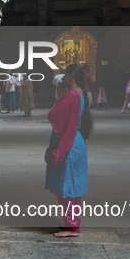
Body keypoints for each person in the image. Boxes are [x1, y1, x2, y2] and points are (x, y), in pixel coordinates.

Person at [45, 64, 92, 238]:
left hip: (69, 144)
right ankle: (74, 223)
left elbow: (53, 114)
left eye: (64, 76)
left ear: (71, 76)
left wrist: (59, 92)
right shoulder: (79, 92)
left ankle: (71, 227)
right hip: (77, 142)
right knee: (74, 187)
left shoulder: (71, 95)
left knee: (66, 185)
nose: (62, 79)